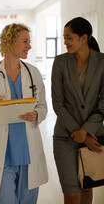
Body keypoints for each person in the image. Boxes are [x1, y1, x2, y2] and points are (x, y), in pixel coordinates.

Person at [0, 23, 48, 204]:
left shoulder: (34, 73)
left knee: (27, 201)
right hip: (4, 153)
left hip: (28, 152)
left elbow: (43, 106)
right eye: (25, 41)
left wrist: (36, 115)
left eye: (29, 42)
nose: (29, 46)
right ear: (9, 42)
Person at [51, 17, 104, 204]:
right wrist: (79, 133)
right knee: (71, 193)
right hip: (64, 136)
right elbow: (58, 103)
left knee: (86, 185)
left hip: (94, 135)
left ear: (83, 38)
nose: (65, 42)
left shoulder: (102, 62)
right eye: (64, 38)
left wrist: (87, 131)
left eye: (68, 38)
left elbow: (103, 103)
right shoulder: (60, 62)